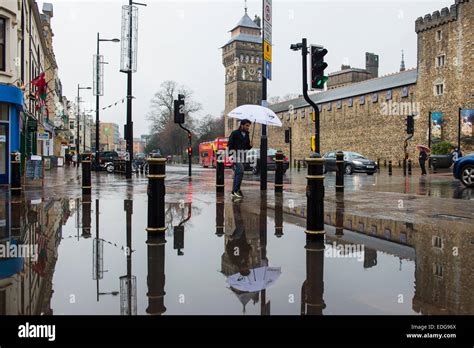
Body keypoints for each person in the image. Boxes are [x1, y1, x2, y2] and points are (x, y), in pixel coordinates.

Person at [227, 119, 253, 198]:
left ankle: (235, 190)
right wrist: (231, 154)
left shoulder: (247, 134)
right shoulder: (234, 133)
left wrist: (250, 146)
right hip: (235, 155)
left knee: (238, 173)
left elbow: (247, 147)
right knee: (240, 170)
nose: (248, 127)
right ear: (242, 125)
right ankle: (236, 190)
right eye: (247, 126)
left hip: (243, 156)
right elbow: (230, 144)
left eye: (249, 126)